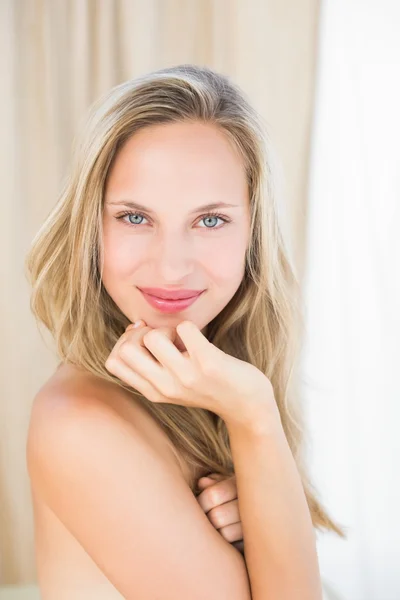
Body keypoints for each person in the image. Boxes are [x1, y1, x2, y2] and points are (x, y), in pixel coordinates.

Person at [25, 64, 346, 600]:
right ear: (90, 229)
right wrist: (255, 415)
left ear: (253, 234)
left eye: (210, 220)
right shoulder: (80, 424)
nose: (171, 267)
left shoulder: (207, 383)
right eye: (134, 217)